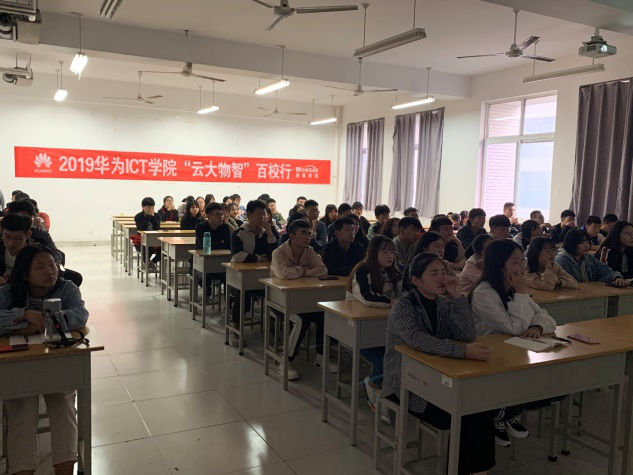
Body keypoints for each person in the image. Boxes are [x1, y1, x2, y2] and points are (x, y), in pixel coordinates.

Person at [382, 252, 495, 474]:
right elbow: (416, 339)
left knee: (477, 408)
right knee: (468, 412)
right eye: (434, 273)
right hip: (406, 382)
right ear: (416, 280)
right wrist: (461, 352)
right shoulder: (403, 305)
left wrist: (458, 297)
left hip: (437, 374)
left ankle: (469, 470)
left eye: (444, 272)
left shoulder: (443, 303)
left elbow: (467, 335)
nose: (442, 278)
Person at [0, 243, 89, 475]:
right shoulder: (8, 292)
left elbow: (80, 314)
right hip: (19, 366)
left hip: (56, 363)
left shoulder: (66, 288)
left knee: (63, 404)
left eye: (52, 265)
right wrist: (23, 316)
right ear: (25, 274)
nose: (50, 272)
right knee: (22, 410)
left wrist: (43, 321)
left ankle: (65, 470)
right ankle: (22, 469)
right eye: (40, 267)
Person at [470, 239, 557, 447]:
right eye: (515, 262)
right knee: (524, 380)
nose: (521, 267)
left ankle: (507, 411)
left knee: (547, 381)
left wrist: (538, 327)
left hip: (513, 350)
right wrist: (521, 293)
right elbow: (515, 327)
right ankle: (501, 413)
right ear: (499, 265)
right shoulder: (484, 293)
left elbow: (547, 318)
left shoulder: (513, 287)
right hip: (487, 355)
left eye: (522, 261)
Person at [270, 219, 334, 380]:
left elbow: (323, 270)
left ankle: (321, 356)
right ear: (292, 236)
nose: (307, 237)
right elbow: (284, 274)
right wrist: (305, 269)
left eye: (309, 233)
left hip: (304, 300)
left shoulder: (309, 251)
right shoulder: (279, 253)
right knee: (301, 320)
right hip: (280, 300)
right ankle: (286, 361)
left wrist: (302, 271)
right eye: (303, 233)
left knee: (325, 315)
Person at [347, 235, 402, 421]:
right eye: (385, 251)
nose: (390, 255)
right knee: (387, 361)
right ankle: (374, 385)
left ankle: (382, 389)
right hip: (360, 329)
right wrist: (392, 302)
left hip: (385, 328)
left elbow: (403, 293)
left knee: (398, 358)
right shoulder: (362, 270)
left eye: (392, 251)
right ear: (373, 252)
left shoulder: (393, 272)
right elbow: (367, 297)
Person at [229, 200, 278, 346]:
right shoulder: (240, 233)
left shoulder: (268, 232)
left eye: (264, 214)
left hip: (266, 276)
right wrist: (259, 258)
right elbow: (237, 256)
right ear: (249, 215)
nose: (263, 217)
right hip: (243, 276)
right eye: (259, 214)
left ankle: (272, 330)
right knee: (242, 295)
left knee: (277, 296)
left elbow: (276, 254)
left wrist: (270, 233)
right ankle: (236, 331)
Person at [555, 228, 627, 286]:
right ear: (571, 243)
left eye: (587, 242)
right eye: (581, 243)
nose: (586, 246)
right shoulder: (561, 260)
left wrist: (616, 277)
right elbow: (567, 283)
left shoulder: (588, 258)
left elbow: (604, 270)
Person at [6, 201, 63, 266]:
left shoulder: (40, 234)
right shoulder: (3, 234)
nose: (26, 222)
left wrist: (49, 262)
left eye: (30, 218)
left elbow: (55, 252)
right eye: (22, 218)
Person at [194, 203, 232, 298]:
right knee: (202, 275)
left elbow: (228, 245)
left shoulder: (225, 227)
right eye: (217, 214)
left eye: (222, 214)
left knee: (230, 275)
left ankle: (229, 298)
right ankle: (207, 290)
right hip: (200, 261)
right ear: (208, 216)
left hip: (220, 261)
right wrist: (221, 243)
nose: (221, 217)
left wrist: (214, 244)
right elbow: (204, 245)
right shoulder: (200, 227)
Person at [134, 197, 161, 271]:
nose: (150, 208)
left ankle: (152, 262)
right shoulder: (138, 216)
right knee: (148, 246)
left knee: (165, 247)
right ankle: (147, 262)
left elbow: (157, 227)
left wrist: (152, 216)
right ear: (143, 207)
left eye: (152, 207)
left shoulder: (157, 216)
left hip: (155, 239)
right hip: (141, 240)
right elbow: (141, 228)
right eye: (148, 207)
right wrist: (147, 216)